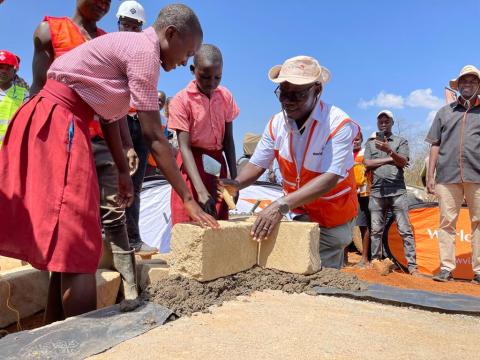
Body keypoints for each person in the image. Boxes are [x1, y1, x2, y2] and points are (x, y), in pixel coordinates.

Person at [0, 4, 218, 324]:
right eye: (188, 51)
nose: (186, 60)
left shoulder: (129, 48)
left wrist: (121, 169)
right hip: (58, 121)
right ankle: (85, 342)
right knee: (78, 246)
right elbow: (153, 134)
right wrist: (188, 197)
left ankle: (53, 332)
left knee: (68, 245)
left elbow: (109, 115)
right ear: (170, 34)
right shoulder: (144, 51)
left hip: (57, 119)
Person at [220, 56, 359, 269]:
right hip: (301, 213)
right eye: (283, 93)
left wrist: (280, 205)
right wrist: (237, 184)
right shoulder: (276, 124)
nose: (287, 100)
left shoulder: (338, 124)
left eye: (297, 94)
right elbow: (258, 164)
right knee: (297, 269)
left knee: (318, 277)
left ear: (317, 90)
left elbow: (330, 178)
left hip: (333, 218)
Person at [168, 44, 239, 222]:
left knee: (218, 223)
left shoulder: (225, 96)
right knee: (190, 221)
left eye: (218, 77)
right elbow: (184, 147)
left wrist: (235, 181)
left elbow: (228, 140)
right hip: (192, 165)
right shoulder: (181, 100)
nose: (212, 83)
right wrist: (199, 190)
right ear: (193, 70)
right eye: (205, 77)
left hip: (217, 166)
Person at [426, 65, 480, 284]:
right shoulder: (445, 112)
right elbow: (434, 145)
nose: (467, 84)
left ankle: (479, 271)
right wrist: (430, 176)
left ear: (478, 85)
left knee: (479, 222)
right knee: (447, 223)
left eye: (472, 81)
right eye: (463, 82)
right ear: (457, 87)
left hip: (477, 174)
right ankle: (446, 268)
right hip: (447, 176)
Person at [364, 110, 419, 276]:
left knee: (405, 229)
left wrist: (390, 151)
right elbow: (367, 163)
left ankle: (412, 266)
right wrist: (391, 159)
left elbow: (403, 161)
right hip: (377, 191)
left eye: (386, 120)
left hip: (398, 191)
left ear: (392, 123)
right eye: (380, 120)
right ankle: (375, 262)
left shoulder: (401, 141)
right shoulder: (370, 143)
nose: (383, 122)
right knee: (376, 230)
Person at [0, 50, 29, 146]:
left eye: (8, 68)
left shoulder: (24, 94)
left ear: (14, 71)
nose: (3, 71)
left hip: (10, 151)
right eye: (0, 67)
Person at [352, 131, 371, 267]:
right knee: (345, 225)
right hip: (347, 195)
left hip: (363, 194)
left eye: (358, 139)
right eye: (353, 139)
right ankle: (344, 258)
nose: (355, 141)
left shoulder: (365, 153)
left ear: (361, 140)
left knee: (363, 224)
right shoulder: (344, 153)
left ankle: (364, 258)